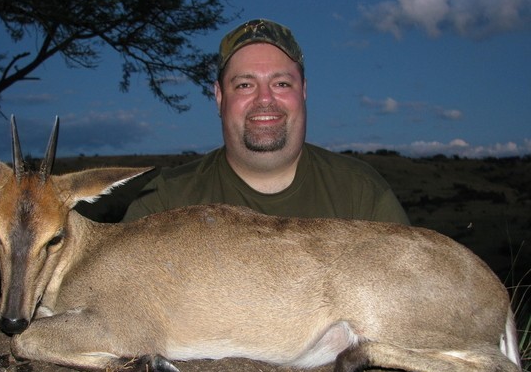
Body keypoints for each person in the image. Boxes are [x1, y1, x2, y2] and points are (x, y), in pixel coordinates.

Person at [122, 19, 409, 224]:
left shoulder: (362, 194)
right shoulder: (164, 200)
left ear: (304, 91)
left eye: (282, 84)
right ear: (219, 97)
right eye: (245, 85)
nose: (264, 99)